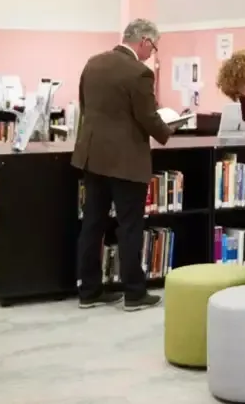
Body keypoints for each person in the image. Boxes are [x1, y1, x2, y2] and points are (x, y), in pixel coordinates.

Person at [71, 19, 174, 312]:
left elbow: (86, 107)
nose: (151, 53)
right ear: (143, 41)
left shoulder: (93, 63)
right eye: (153, 47)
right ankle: (134, 294)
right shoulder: (139, 72)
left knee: (92, 224)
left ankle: (89, 291)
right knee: (130, 227)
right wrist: (169, 130)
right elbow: (148, 117)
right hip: (125, 161)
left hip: (92, 157)